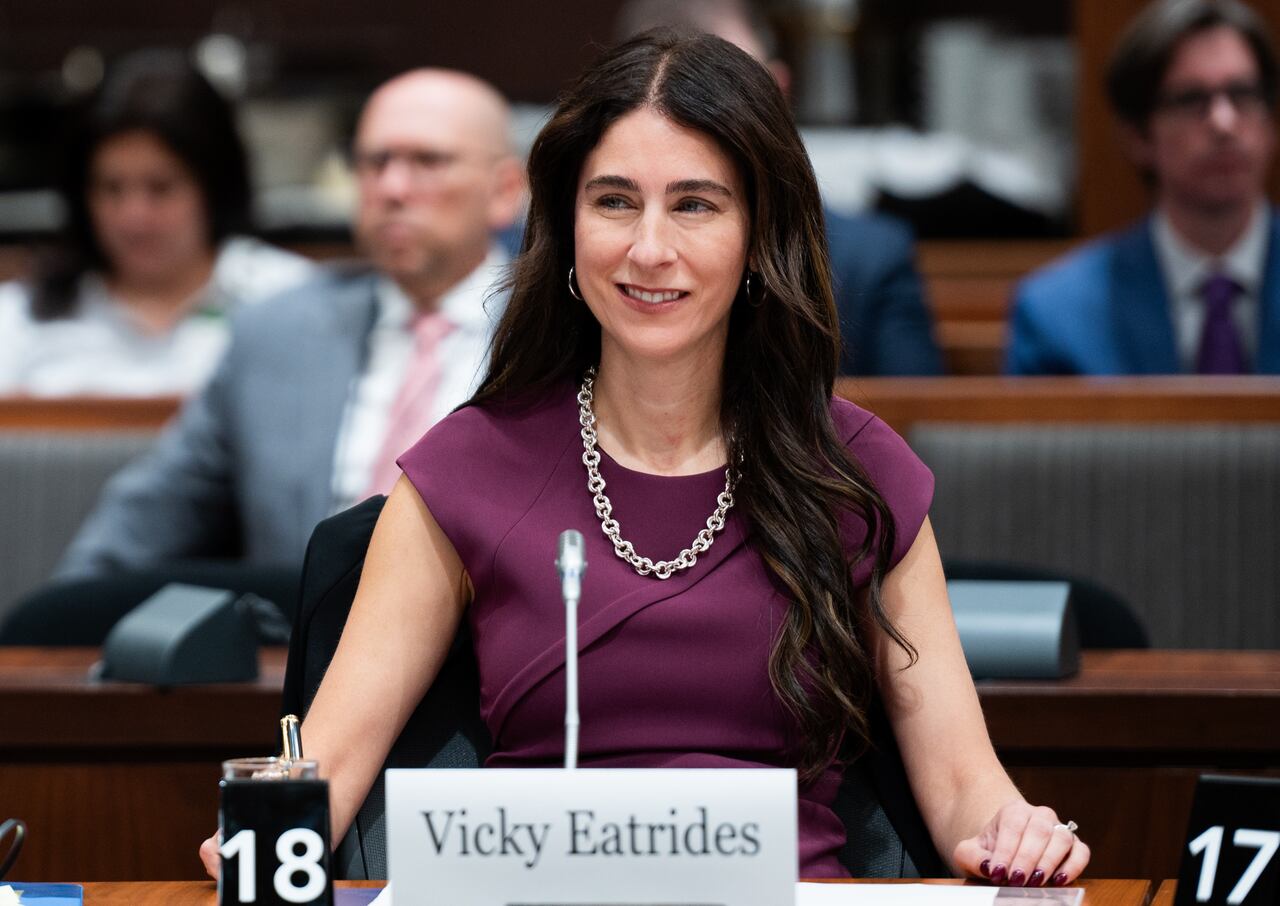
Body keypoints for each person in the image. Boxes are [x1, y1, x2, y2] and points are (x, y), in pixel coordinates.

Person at [202, 32, 1090, 882]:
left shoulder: (855, 472)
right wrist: (261, 827)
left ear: (758, 236)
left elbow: (969, 795)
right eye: (614, 201)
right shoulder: (465, 469)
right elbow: (322, 772)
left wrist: (1019, 833)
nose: (649, 249)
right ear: (567, 226)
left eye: (695, 204)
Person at [0, 68, 524, 644]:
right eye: (373, 163)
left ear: (504, 190)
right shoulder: (276, 333)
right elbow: (140, 528)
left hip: (492, 669)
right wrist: (48, 638)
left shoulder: (559, 334)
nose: (392, 188)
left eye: (427, 161)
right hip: (296, 680)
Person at [610, 0, 944, 376]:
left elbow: (913, 416)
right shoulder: (549, 253)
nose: (650, 251)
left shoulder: (868, 260)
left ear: (777, 91)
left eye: (727, 95)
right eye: (614, 202)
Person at [0, 49, 314, 397]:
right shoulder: (19, 320)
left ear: (214, 186)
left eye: (160, 188)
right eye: (111, 189)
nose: (134, 216)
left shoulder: (292, 299)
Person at [1007, 0, 1278, 375]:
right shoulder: (1057, 312)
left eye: (1243, 94)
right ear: (1137, 136)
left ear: (1270, 123)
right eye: (1191, 99)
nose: (1223, 122)